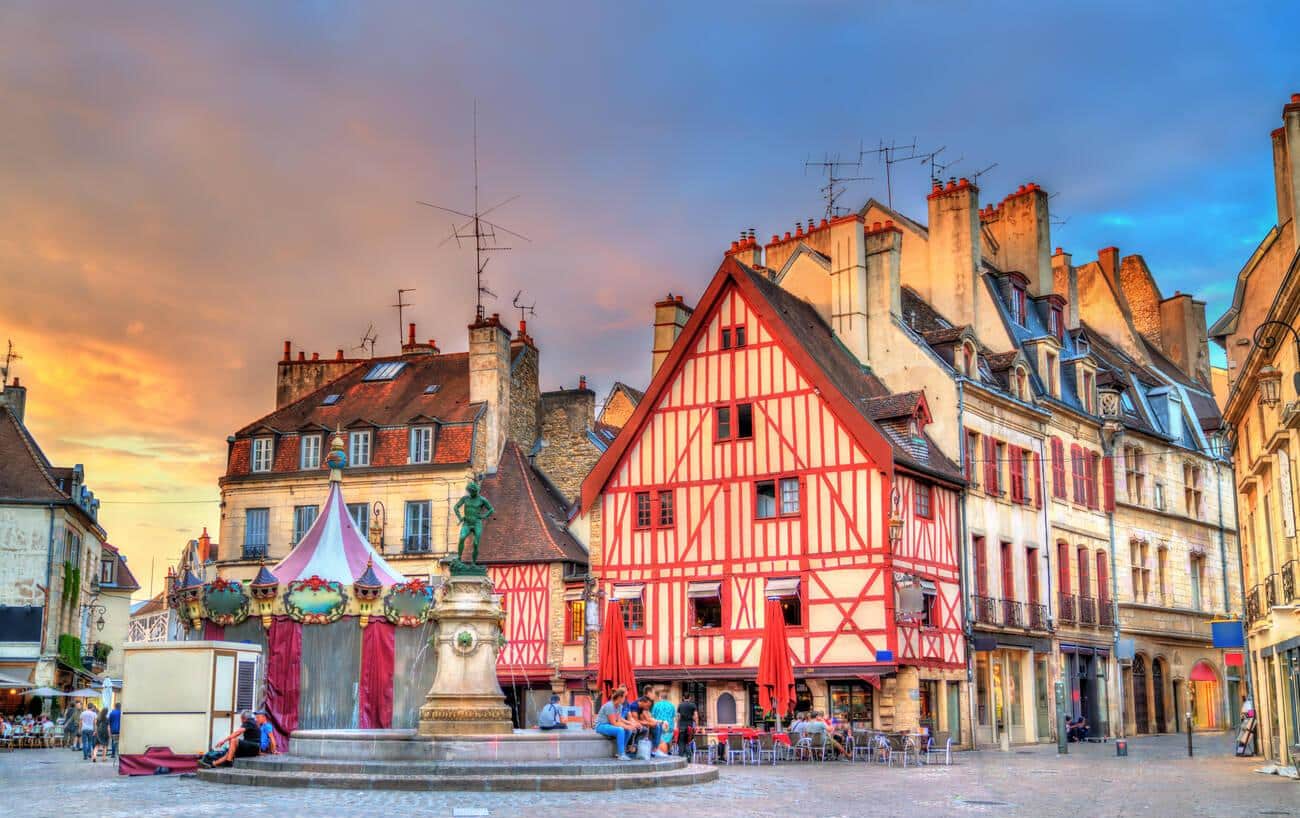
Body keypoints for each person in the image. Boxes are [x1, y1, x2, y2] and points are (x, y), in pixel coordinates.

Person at [594, 689, 634, 761]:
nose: (625, 699)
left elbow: (618, 721)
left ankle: (621, 752)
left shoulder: (620, 706)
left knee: (629, 731)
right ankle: (621, 754)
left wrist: (629, 727)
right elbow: (614, 723)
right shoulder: (609, 706)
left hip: (610, 725)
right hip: (601, 725)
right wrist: (627, 726)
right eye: (624, 697)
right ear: (619, 697)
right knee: (620, 730)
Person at [650, 690, 676, 755]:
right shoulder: (671, 705)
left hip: (659, 725)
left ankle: (660, 752)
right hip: (669, 725)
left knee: (660, 740)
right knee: (668, 740)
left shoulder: (656, 705)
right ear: (666, 697)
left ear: (660, 697)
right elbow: (673, 716)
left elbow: (652, 716)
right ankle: (669, 752)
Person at [675, 692, 698, 757]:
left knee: (681, 742)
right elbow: (696, 716)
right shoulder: (693, 705)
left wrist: (677, 725)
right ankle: (689, 756)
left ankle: (681, 757)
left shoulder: (680, 705)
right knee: (687, 742)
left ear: (683, 698)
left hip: (681, 726)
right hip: (689, 727)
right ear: (690, 698)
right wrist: (696, 725)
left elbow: (678, 716)